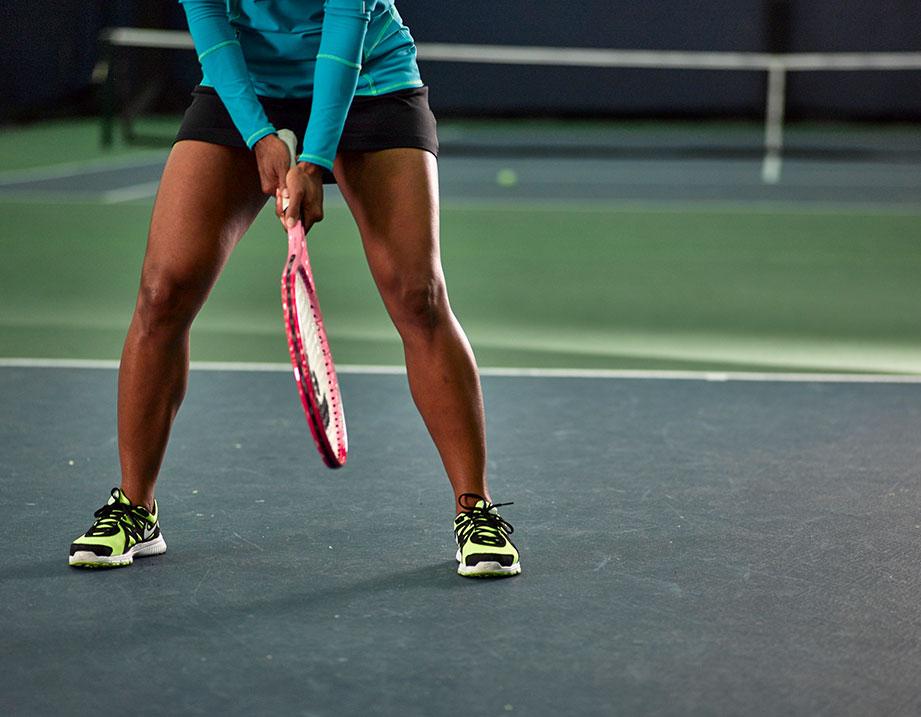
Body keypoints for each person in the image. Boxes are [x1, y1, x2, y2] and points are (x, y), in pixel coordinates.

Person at [68, 0, 520, 578]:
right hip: (246, 84)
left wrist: (314, 159)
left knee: (418, 295)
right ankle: (136, 507)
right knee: (163, 291)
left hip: (367, 75)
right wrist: (259, 134)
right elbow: (211, 26)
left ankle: (475, 509)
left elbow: (345, 26)